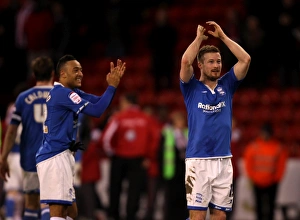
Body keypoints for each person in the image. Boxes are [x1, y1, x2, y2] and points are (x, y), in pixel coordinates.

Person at [35, 54, 125, 220]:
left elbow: (99, 103)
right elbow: (97, 111)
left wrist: (112, 86)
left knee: (72, 212)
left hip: (62, 155)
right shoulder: (63, 94)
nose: (80, 73)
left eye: (81, 70)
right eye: (75, 70)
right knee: (58, 211)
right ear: (63, 74)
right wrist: (111, 87)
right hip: (55, 156)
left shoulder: (71, 92)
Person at [179, 21, 251, 220]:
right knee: (197, 216)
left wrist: (223, 38)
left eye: (218, 61)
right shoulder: (191, 88)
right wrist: (198, 39)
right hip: (198, 161)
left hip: (223, 161)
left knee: (220, 216)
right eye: (211, 62)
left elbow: (245, 59)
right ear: (200, 65)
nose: (216, 65)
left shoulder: (227, 85)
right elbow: (185, 62)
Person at [0, 56, 55, 220]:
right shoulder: (61, 95)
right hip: (53, 156)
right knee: (48, 202)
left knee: (30, 203)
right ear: (53, 73)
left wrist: (3, 158)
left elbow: (11, 131)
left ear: (34, 74)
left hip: (29, 155)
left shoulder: (23, 98)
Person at [101, 93, 159, 220]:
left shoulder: (118, 117)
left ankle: (113, 215)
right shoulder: (146, 118)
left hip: (119, 158)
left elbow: (106, 138)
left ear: (127, 103)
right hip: (139, 160)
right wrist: (148, 157)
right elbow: (155, 139)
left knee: (115, 189)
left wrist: (112, 153)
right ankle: (131, 216)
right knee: (135, 190)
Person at [243, 123, 288, 220]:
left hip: (272, 182)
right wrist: (253, 177)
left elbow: (281, 165)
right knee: (259, 207)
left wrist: (277, 179)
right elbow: (248, 163)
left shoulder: (277, 147)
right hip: (257, 182)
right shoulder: (254, 146)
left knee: (271, 207)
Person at [158, 110, 189, 220]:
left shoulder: (188, 133)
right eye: (178, 120)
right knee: (170, 199)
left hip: (185, 172)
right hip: (171, 171)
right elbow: (161, 153)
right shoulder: (167, 133)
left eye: (182, 120)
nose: (181, 122)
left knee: (184, 199)